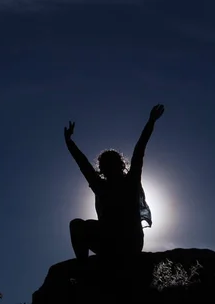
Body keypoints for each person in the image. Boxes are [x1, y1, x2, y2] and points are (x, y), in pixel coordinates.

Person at [64, 104, 165, 260]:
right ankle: (82, 268)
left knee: (77, 225)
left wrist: (151, 122)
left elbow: (139, 150)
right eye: (107, 165)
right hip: (110, 240)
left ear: (120, 165)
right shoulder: (101, 186)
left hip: (130, 242)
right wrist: (69, 143)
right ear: (103, 169)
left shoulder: (130, 181)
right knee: (76, 224)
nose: (110, 167)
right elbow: (83, 164)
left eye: (113, 163)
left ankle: (84, 269)